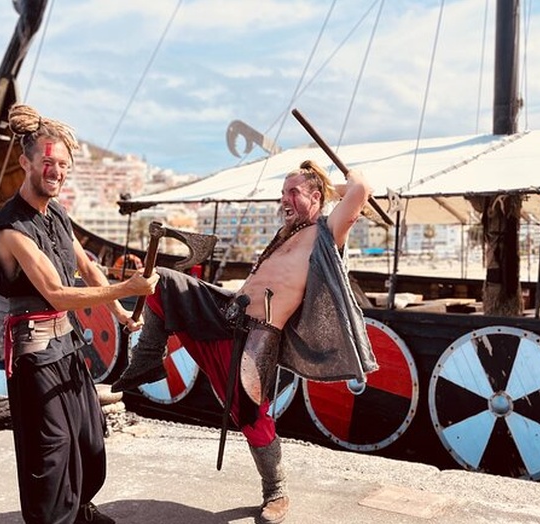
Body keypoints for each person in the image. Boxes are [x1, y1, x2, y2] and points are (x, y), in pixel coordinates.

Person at [111, 159, 378, 524]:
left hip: (258, 337)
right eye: (282, 192)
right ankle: (147, 358)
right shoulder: (289, 234)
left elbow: (360, 188)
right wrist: (311, 191)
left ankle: (276, 491)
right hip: (224, 314)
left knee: (253, 417)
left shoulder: (326, 232)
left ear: (317, 196)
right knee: (161, 280)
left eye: (293, 192)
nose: (283, 199)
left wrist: (332, 184)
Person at [0, 104, 159, 524]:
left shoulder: (57, 212)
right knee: (52, 451)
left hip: (67, 346)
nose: (56, 170)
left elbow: (84, 264)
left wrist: (120, 309)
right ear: (26, 162)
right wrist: (127, 288)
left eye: (62, 164)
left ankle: (80, 509)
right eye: (47, 162)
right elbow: (58, 293)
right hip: (35, 353)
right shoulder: (10, 227)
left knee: (90, 439)